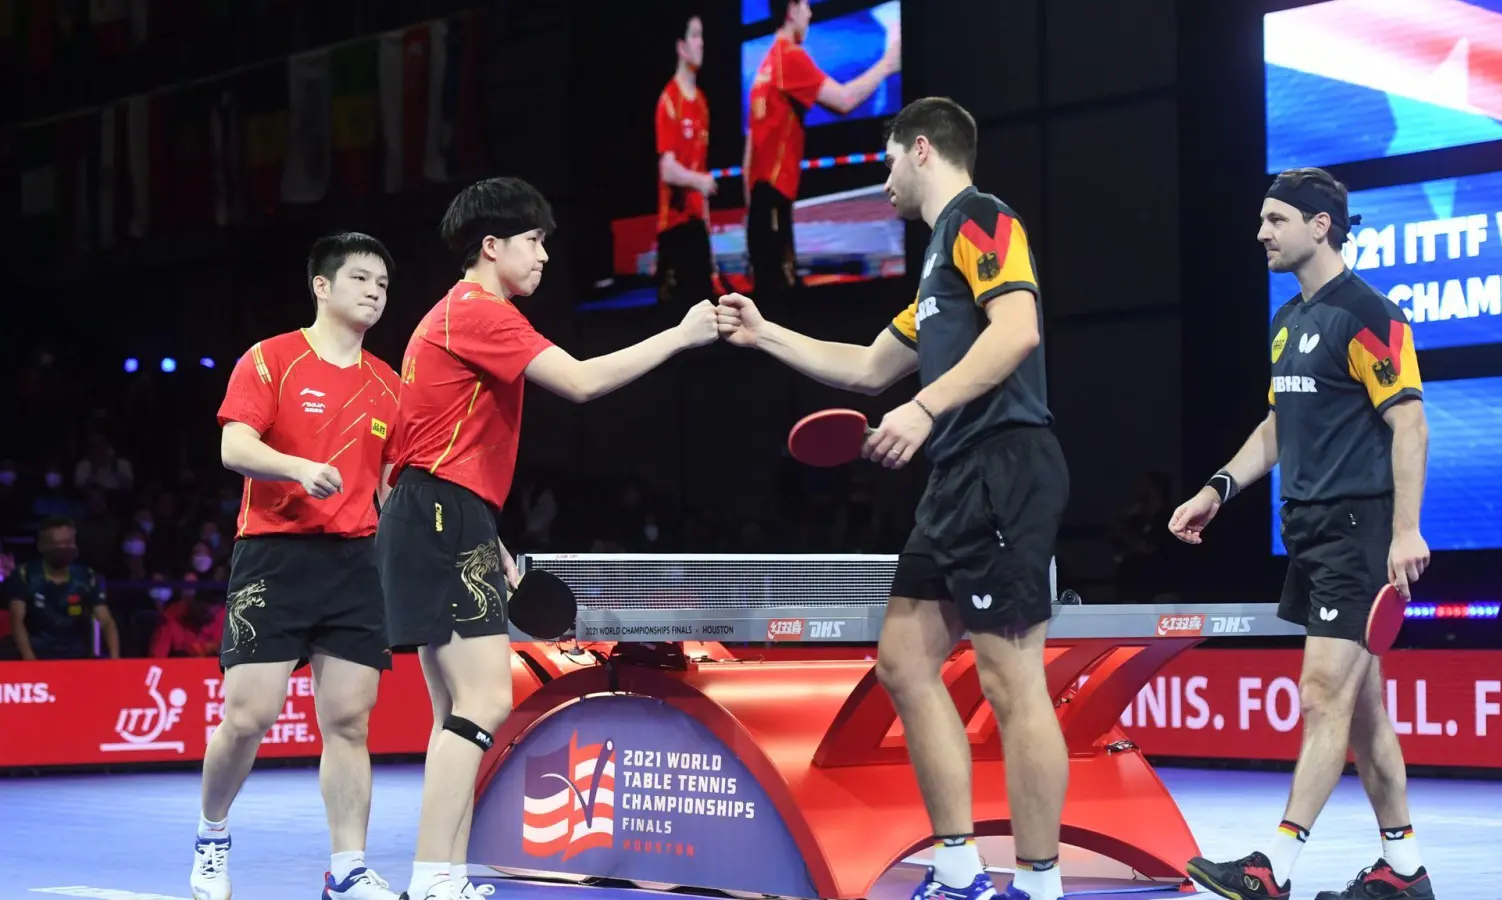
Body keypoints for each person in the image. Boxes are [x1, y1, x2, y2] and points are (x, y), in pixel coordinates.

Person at [717, 96, 1069, 900]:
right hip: (954, 479)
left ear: (920, 150)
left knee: (1012, 679)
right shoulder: (938, 266)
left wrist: (924, 407)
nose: (880, 185)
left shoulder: (983, 219)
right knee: (905, 662)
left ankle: (1041, 886)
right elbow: (870, 368)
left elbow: (1017, 329)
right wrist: (764, 332)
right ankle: (957, 870)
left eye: (883, 164)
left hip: (1003, 466)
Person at [378, 176, 718, 900]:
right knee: (481, 704)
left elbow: (431, 449)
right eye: (533, 241)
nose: (542, 256)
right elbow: (585, 382)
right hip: (442, 514)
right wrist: (682, 335)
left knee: (456, 712)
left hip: (439, 511)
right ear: (492, 246)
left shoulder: (450, 315)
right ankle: (432, 878)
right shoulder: (480, 311)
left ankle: (446, 875)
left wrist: (487, 540)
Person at [1169, 167, 1433, 900]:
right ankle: (1405, 871)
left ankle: (1272, 870)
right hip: (1309, 532)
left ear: (1321, 226)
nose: (1261, 233)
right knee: (1363, 709)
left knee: (1323, 696)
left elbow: (1408, 423)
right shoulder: (1288, 323)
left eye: (1275, 220)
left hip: (1358, 530)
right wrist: (1217, 488)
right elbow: (1279, 426)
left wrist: (1405, 530)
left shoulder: (1371, 317)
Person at [193, 232, 403, 900]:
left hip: (354, 563)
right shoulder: (271, 359)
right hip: (275, 556)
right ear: (323, 285)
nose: (376, 291)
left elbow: (395, 489)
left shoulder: (389, 386)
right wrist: (297, 468)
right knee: (248, 716)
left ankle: (346, 868)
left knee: (350, 722)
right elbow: (234, 446)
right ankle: (212, 835)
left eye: (384, 285)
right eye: (363, 279)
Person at [744, 0, 899, 298]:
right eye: (805, 5)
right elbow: (843, 100)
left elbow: (750, 150)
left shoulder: (766, 64)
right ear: (791, 10)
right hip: (773, 202)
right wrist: (888, 65)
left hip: (762, 206)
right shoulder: (789, 57)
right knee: (781, 306)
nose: (810, 13)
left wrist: (751, 213)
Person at [655, 13, 717, 310]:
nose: (701, 43)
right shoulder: (669, 100)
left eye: (702, 35)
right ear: (681, 46)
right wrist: (700, 181)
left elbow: (699, 166)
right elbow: (667, 168)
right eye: (694, 35)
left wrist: (707, 227)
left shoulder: (702, 103)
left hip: (697, 228)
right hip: (674, 229)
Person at [3, 517, 119, 661]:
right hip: (36, 651)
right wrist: (30, 660)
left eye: (69, 543)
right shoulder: (25, 575)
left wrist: (115, 659)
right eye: (58, 544)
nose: (64, 548)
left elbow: (106, 621)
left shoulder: (87, 577)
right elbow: (16, 620)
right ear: (43, 546)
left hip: (77, 654)